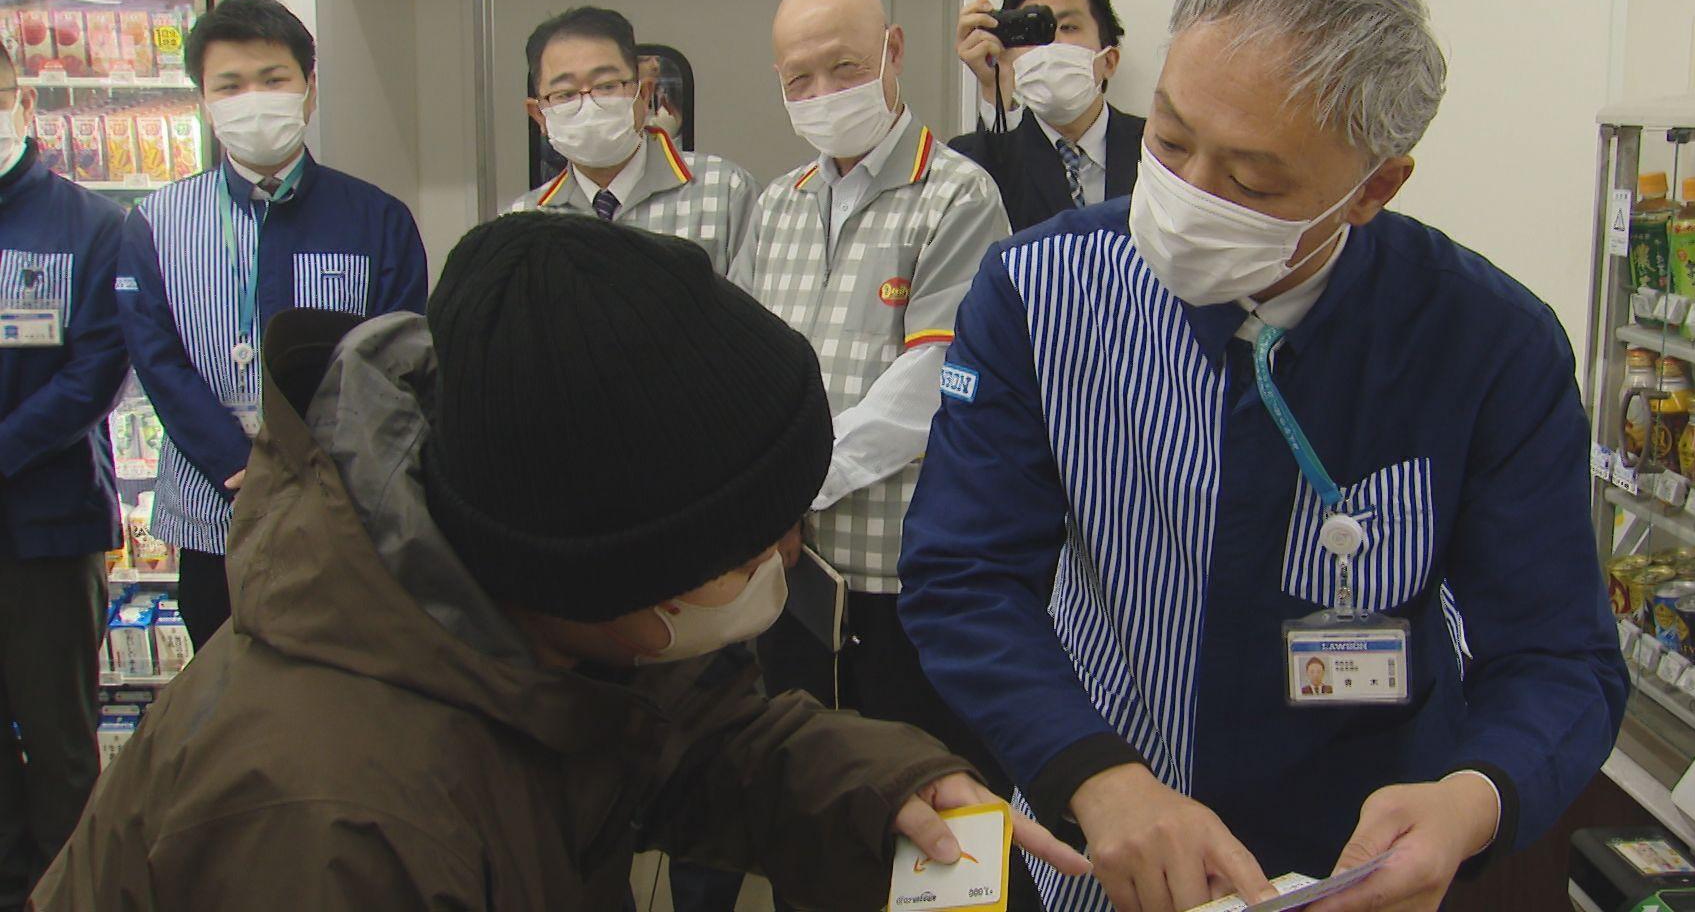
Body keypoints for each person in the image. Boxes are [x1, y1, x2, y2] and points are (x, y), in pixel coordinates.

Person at [32, 213, 1089, 910]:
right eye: (752, 541)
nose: (787, 554)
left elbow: (685, 747)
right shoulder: (330, 825)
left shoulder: (523, 629)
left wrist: (882, 783)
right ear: (598, 578)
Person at [899, 0, 1630, 912]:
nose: (1190, 196)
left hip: (1353, 865)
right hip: (1106, 835)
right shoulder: (1039, 293)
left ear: (1374, 187)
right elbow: (964, 574)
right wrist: (1096, 778)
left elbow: (1558, 658)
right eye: (1169, 139)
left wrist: (1474, 797)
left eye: (1250, 181)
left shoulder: (1488, 344)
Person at [729, 0, 1020, 900]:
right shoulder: (776, 205)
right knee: (812, 814)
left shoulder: (958, 194)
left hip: (906, 583)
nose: (821, 96)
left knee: (934, 832)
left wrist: (787, 484)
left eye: (843, 67)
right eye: (797, 79)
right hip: (790, 583)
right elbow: (741, 366)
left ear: (893, 52)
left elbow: (928, 388)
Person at [115, 0, 428, 649]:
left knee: (339, 695)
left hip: (342, 507)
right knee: (220, 692)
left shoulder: (376, 219)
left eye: (274, 79)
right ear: (204, 99)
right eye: (229, 85)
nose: (253, 98)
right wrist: (236, 462)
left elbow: (395, 360)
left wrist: (313, 459)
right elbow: (157, 357)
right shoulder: (157, 222)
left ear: (308, 90)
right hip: (212, 514)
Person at [0, 46, 128, 912]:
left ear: (22, 96)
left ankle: (71, 894)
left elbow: (95, 373)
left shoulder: (88, 222)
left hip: (47, 525)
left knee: (58, 739)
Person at [511, 7, 757, 276]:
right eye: (566, 94)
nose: (588, 105)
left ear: (643, 94)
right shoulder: (521, 222)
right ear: (540, 116)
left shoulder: (726, 193)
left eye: (607, 86)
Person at [949, 0, 1145, 232]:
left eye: (1068, 26)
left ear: (1109, 61)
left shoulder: (1157, 148)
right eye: (1034, 30)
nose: (1051, 42)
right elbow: (982, 230)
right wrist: (996, 87)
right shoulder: (972, 157)